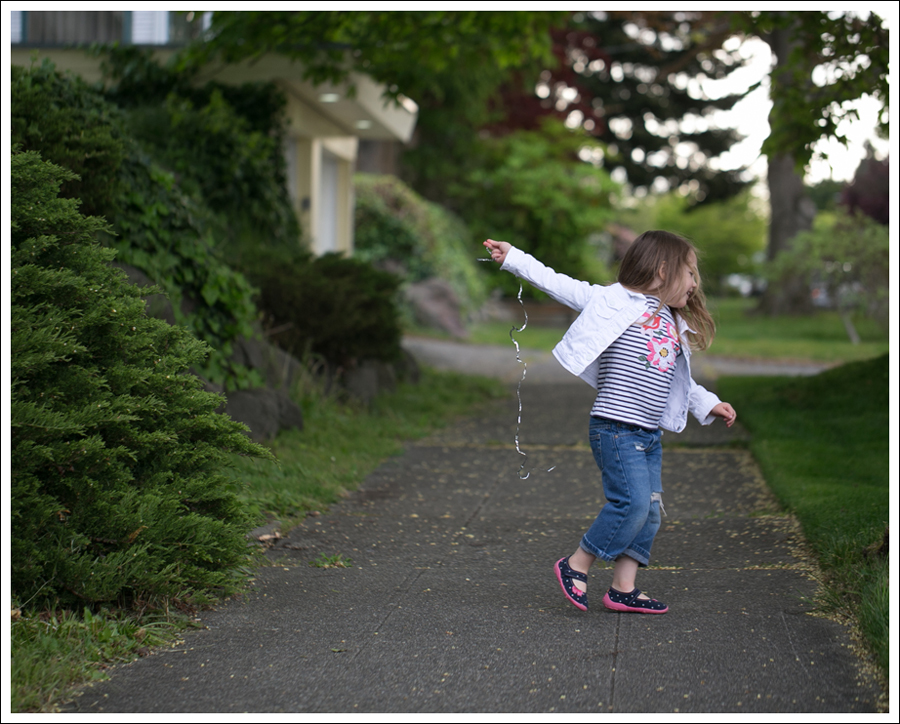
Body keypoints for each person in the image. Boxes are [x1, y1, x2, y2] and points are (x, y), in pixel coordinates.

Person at [483, 231, 736, 614]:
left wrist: (710, 404)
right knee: (631, 504)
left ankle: (623, 587)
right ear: (663, 270)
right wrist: (514, 257)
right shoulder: (611, 300)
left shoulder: (671, 321)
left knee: (649, 511)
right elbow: (557, 282)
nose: (695, 283)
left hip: (648, 435)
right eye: (690, 273)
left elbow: (677, 380)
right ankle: (576, 565)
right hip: (615, 428)